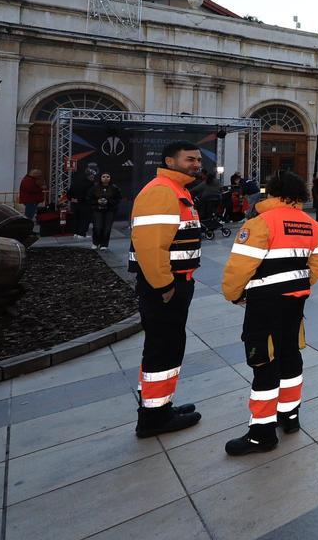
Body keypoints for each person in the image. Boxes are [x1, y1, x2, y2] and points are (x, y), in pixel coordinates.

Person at [220, 171, 318, 455]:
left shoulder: (260, 223)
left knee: (264, 363)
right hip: (295, 303)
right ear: (298, 197)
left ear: (273, 194)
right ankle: (289, 417)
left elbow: (239, 267)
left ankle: (261, 434)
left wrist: (234, 295)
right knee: (290, 355)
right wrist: (299, 283)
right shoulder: (312, 225)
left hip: (264, 305)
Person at [128, 141, 204, 438]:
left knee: (167, 346)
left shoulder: (179, 190)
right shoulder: (162, 191)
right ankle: (154, 418)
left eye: (198, 159)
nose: (196, 164)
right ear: (169, 161)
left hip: (175, 282)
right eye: (189, 159)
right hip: (164, 286)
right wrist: (164, 285)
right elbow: (150, 246)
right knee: (163, 348)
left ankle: (158, 406)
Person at [87, 172, 122, 250]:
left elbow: (118, 199)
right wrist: (97, 201)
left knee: (107, 228)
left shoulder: (114, 188)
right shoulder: (95, 188)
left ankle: (104, 244)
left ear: (110, 178)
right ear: (100, 178)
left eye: (107, 176)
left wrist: (108, 201)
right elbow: (89, 198)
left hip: (110, 210)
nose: (106, 178)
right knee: (97, 227)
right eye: (103, 176)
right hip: (97, 210)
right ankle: (95, 243)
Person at [68, 166, 96, 238]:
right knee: (85, 219)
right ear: (88, 177)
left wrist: (72, 199)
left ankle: (76, 233)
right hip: (85, 205)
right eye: (91, 177)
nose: (93, 178)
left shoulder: (75, 183)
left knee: (76, 218)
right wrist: (79, 199)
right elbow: (88, 195)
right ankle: (82, 233)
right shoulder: (90, 185)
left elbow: (69, 194)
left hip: (75, 204)